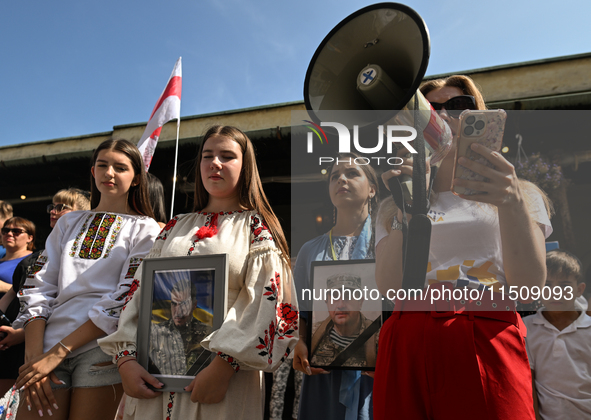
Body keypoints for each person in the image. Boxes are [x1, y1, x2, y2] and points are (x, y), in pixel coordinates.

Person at [373, 75, 553, 420]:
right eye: (427, 109)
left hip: (485, 330)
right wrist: (408, 207)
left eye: (458, 106)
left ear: (478, 115)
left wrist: (512, 201)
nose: (442, 116)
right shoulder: (392, 204)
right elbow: (391, 287)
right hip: (407, 335)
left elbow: (528, 285)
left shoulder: (519, 193)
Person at [98, 125, 298, 420]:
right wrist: (126, 360)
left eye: (227, 156)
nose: (215, 163)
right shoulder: (174, 227)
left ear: (245, 167)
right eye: (207, 156)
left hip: (222, 384)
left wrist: (223, 366)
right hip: (153, 379)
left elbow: (269, 303)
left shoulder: (256, 228)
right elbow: (139, 293)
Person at [13, 139, 161, 420]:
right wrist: (34, 359)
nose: (110, 173)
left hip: (102, 348)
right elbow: (38, 286)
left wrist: (58, 352)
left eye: (121, 167)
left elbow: (127, 296)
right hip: (45, 345)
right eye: (103, 165)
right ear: (93, 172)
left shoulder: (145, 228)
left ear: (137, 178)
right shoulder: (68, 223)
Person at [293, 154, 379, 420]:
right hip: (324, 379)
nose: (341, 179)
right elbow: (297, 312)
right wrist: (299, 342)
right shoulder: (310, 250)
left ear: (372, 189)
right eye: (334, 176)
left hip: (377, 375)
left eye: (352, 173)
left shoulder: (389, 242)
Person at [0, 190, 90, 396]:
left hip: (49, 343)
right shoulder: (41, 255)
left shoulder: (82, 256)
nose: (54, 211)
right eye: (52, 206)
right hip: (18, 336)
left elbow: (65, 303)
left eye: (62, 207)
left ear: (83, 214)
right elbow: (15, 294)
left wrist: (22, 335)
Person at [524, 249, 591, 419]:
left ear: (579, 290)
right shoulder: (527, 328)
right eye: (547, 285)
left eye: (564, 286)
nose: (555, 291)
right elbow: (528, 382)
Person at [310, 274, 377, 368]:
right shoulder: (312, 334)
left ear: (360, 302)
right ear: (327, 302)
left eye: (348, 296)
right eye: (335, 297)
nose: (341, 305)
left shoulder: (378, 338)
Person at [0, 217, 35, 395]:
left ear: (30, 237)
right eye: (5, 230)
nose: (9, 234)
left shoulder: (32, 260)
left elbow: (22, 290)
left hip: (14, 327)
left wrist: (3, 286)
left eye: (16, 231)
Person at [149, 278, 210, 376]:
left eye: (183, 304)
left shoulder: (208, 335)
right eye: (174, 304)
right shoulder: (155, 332)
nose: (178, 311)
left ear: (194, 305)